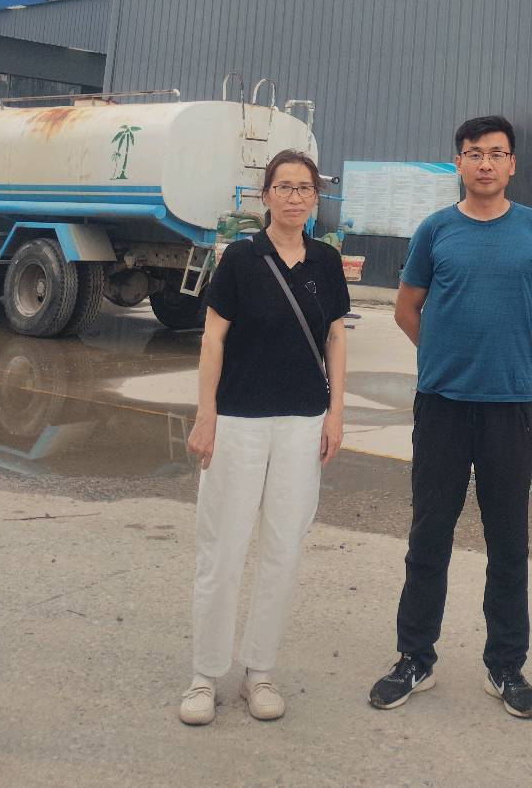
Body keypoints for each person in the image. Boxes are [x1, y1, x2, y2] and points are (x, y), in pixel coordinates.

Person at [368, 115, 532, 720]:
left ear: (512, 165)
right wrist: (443, 358)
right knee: (429, 535)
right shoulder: (436, 229)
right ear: (458, 162)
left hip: (509, 408)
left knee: (509, 541)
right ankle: (414, 657)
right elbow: (406, 309)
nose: (485, 163)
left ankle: (506, 665)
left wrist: (518, 369)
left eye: (496, 154)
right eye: (474, 153)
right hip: (442, 407)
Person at [178, 149, 347, 726]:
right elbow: (212, 339)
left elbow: (335, 339)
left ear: (315, 198)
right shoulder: (241, 260)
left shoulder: (326, 261)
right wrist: (206, 415)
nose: (294, 197)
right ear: (266, 194)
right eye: (284, 186)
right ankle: (205, 675)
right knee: (222, 551)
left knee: (283, 551)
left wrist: (335, 414)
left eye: (304, 188)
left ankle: (260, 671)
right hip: (239, 422)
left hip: (302, 424)